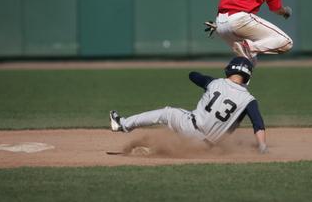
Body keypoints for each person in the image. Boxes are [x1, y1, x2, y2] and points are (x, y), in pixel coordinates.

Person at [109, 57, 268, 154]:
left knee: (167, 114)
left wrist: (203, 79)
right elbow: (258, 124)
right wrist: (261, 146)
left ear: (229, 69)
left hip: (190, 126)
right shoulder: (249, 100)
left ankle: (123, 124)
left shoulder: (215, 83)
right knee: (187, 133)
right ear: (247, 77)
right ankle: (155, 151)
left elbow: (193, 75)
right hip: (206, 146)